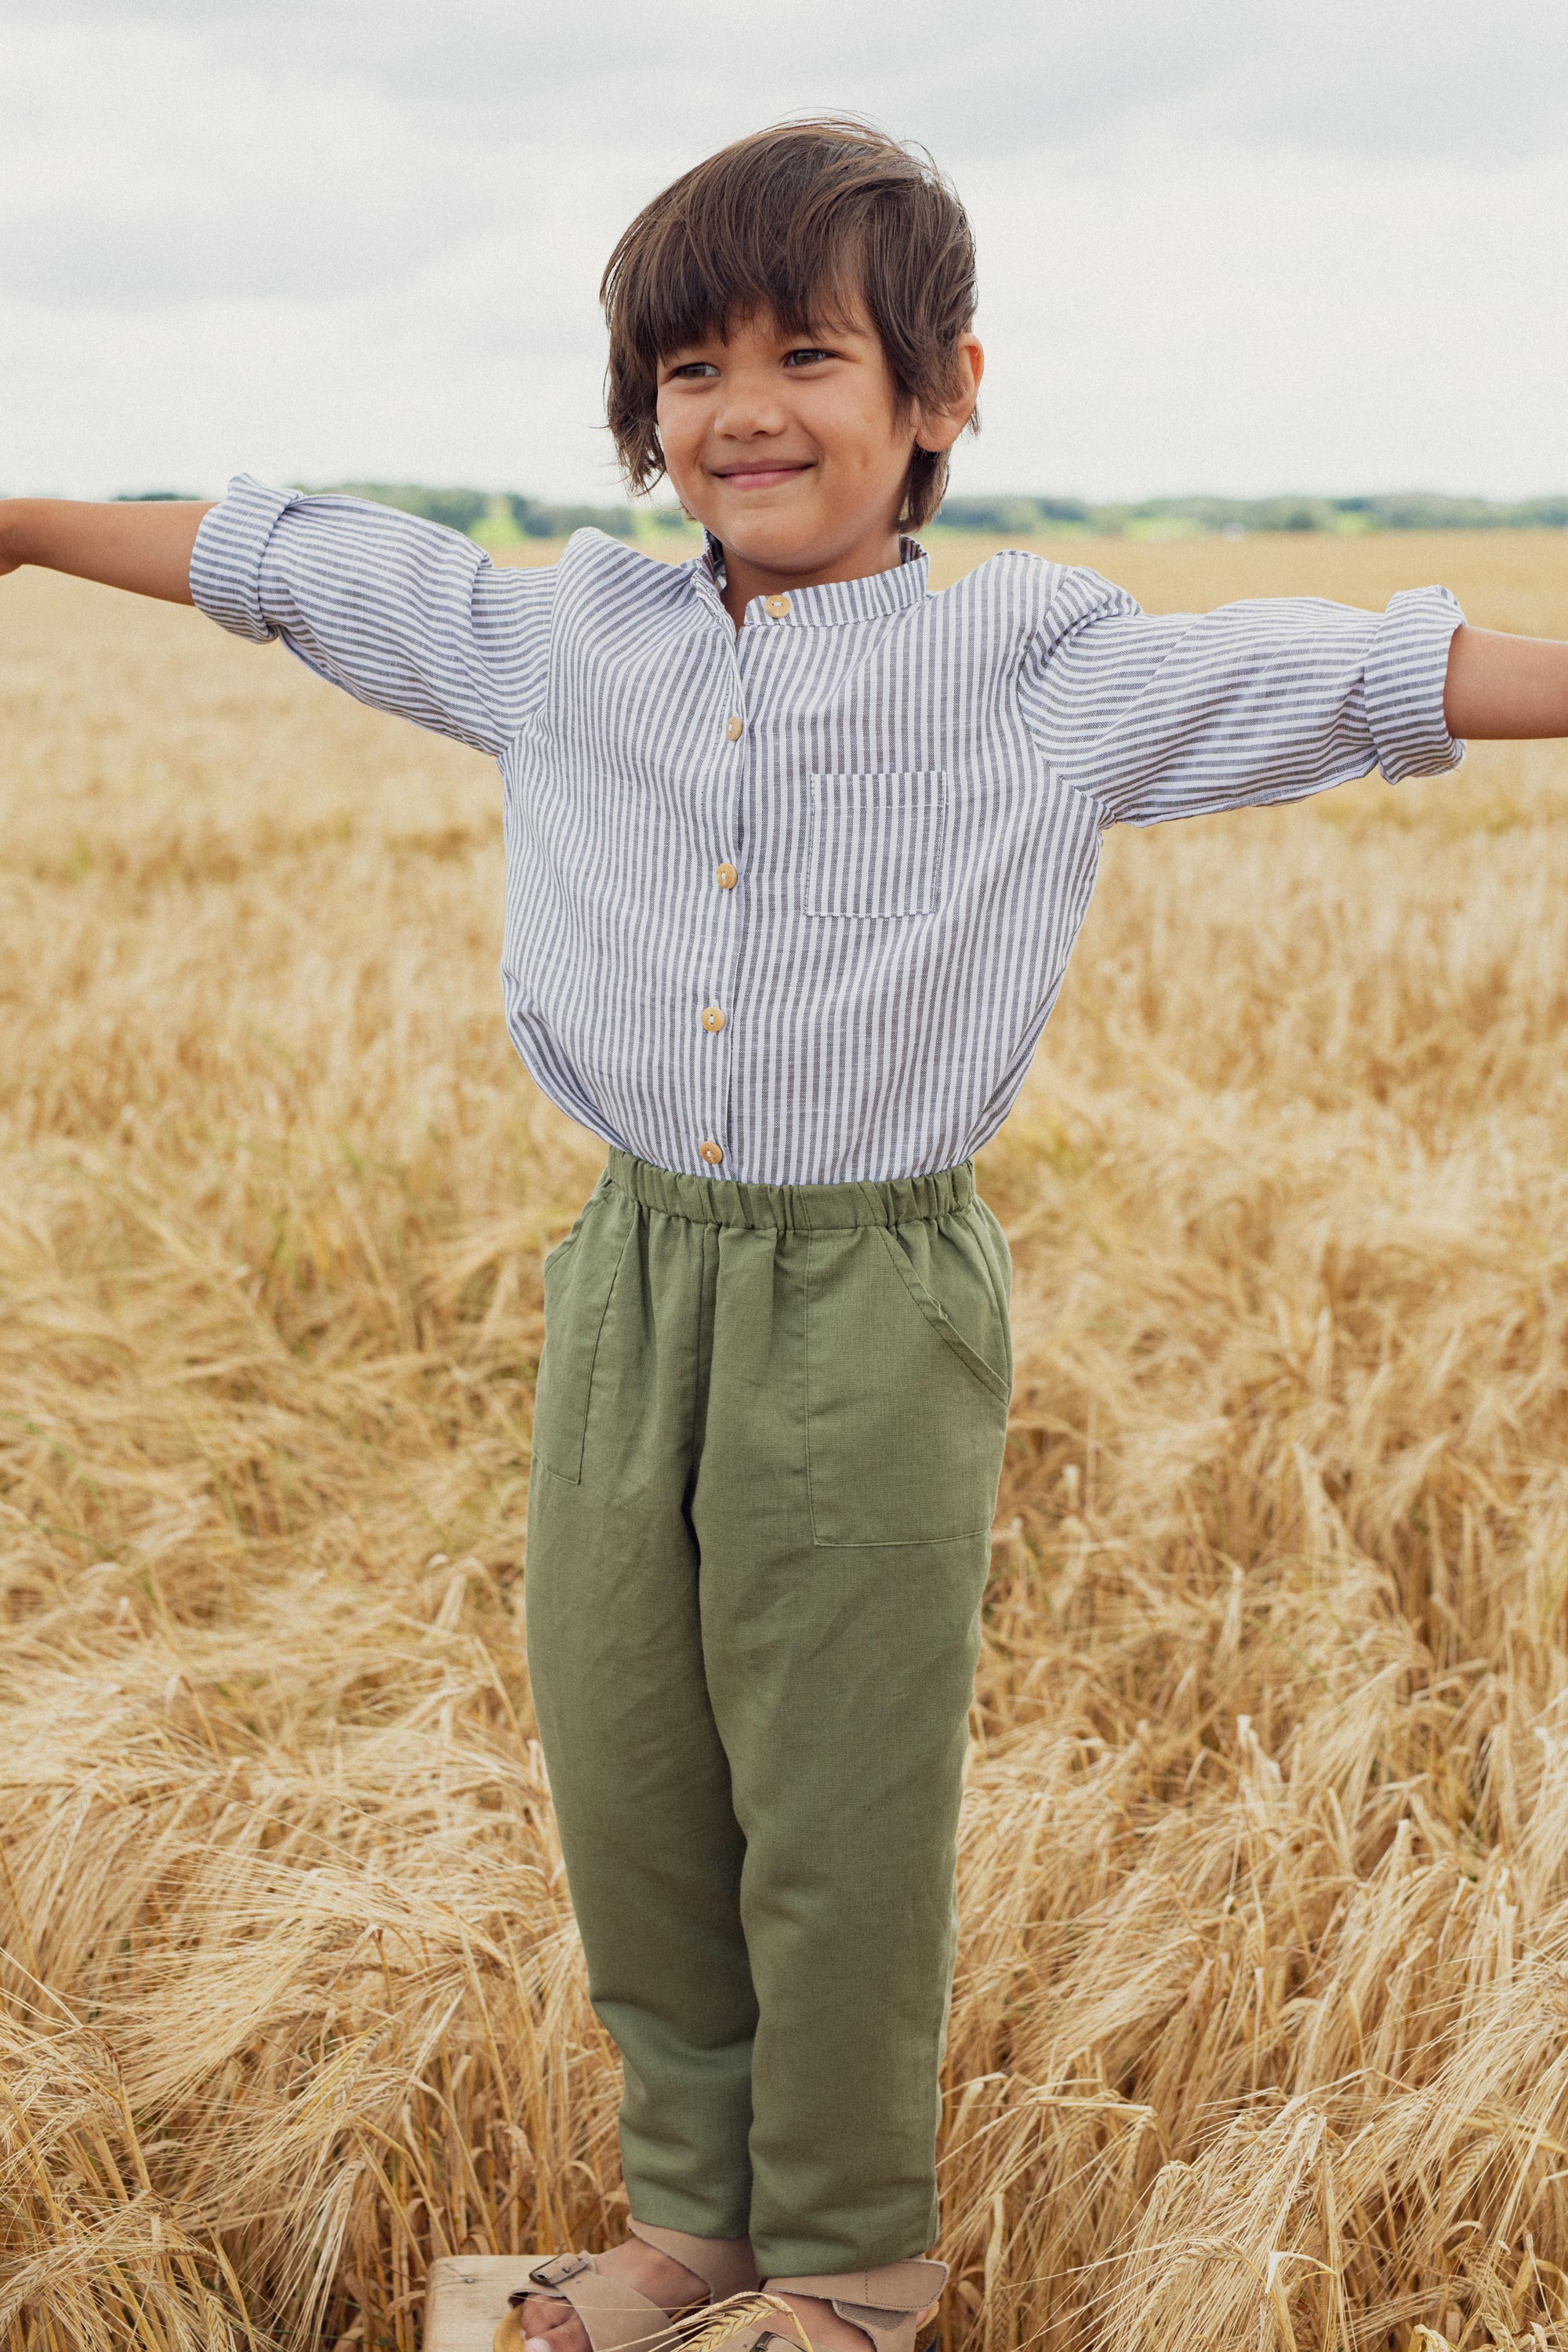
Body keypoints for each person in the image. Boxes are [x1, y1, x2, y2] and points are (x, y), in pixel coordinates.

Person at [5, 111, 1567, 2352]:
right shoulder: (569, 641)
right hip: (629, 1274)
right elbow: (298, 561)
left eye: (808, 357)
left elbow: (1366, 673)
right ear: (646, 414)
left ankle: (851, 2257)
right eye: (690, 370)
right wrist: (29, 530)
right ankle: (692, 2226)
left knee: (830, 1801)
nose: (741, 410)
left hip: (869, 1288)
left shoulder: (1042, 668)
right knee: (631, 1771)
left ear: (942, 391)